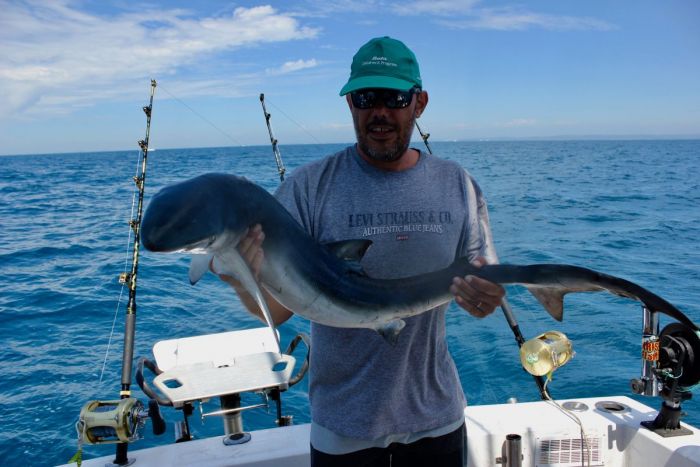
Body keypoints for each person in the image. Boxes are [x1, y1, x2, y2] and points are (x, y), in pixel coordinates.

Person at [217, 36, 505, 467]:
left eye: (394, 97)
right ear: (350, 103)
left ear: (419, 103)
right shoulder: (308, 188)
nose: (380, 112)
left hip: (437, 419)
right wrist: (242, 275)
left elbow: (483, 286)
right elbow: (278, 314)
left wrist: (487, 296)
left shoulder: (457, 185)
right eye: (366, 97)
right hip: (342, 427)